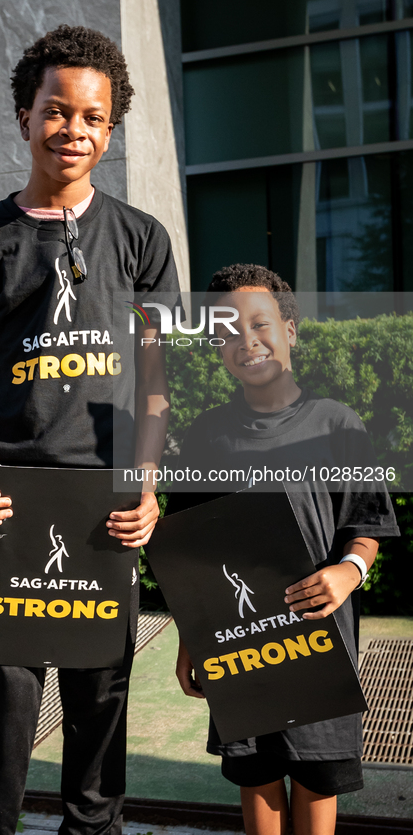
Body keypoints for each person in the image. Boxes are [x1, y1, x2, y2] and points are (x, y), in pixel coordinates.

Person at [0, 25, 179, 835]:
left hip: (105, 506)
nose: (72, 128)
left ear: (109, 129)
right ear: (23, 115)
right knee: (3, 710)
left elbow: (154, 384)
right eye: (56, 110)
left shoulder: (143, 239)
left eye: (92, 116)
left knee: (100, 705)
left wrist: (145, 489)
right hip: (10, 506)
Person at [169, 264, 398, 835]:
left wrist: (349, 571)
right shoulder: (205, 436)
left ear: (290, 330)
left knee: (318, 784)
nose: (246, 341)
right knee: (257, 781)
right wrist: (190, 639)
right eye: (227, 329)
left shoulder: (338, 425)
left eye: (261, 323)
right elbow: (190, 551)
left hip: (320, 643)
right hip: (241, 645)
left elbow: (366, 523)